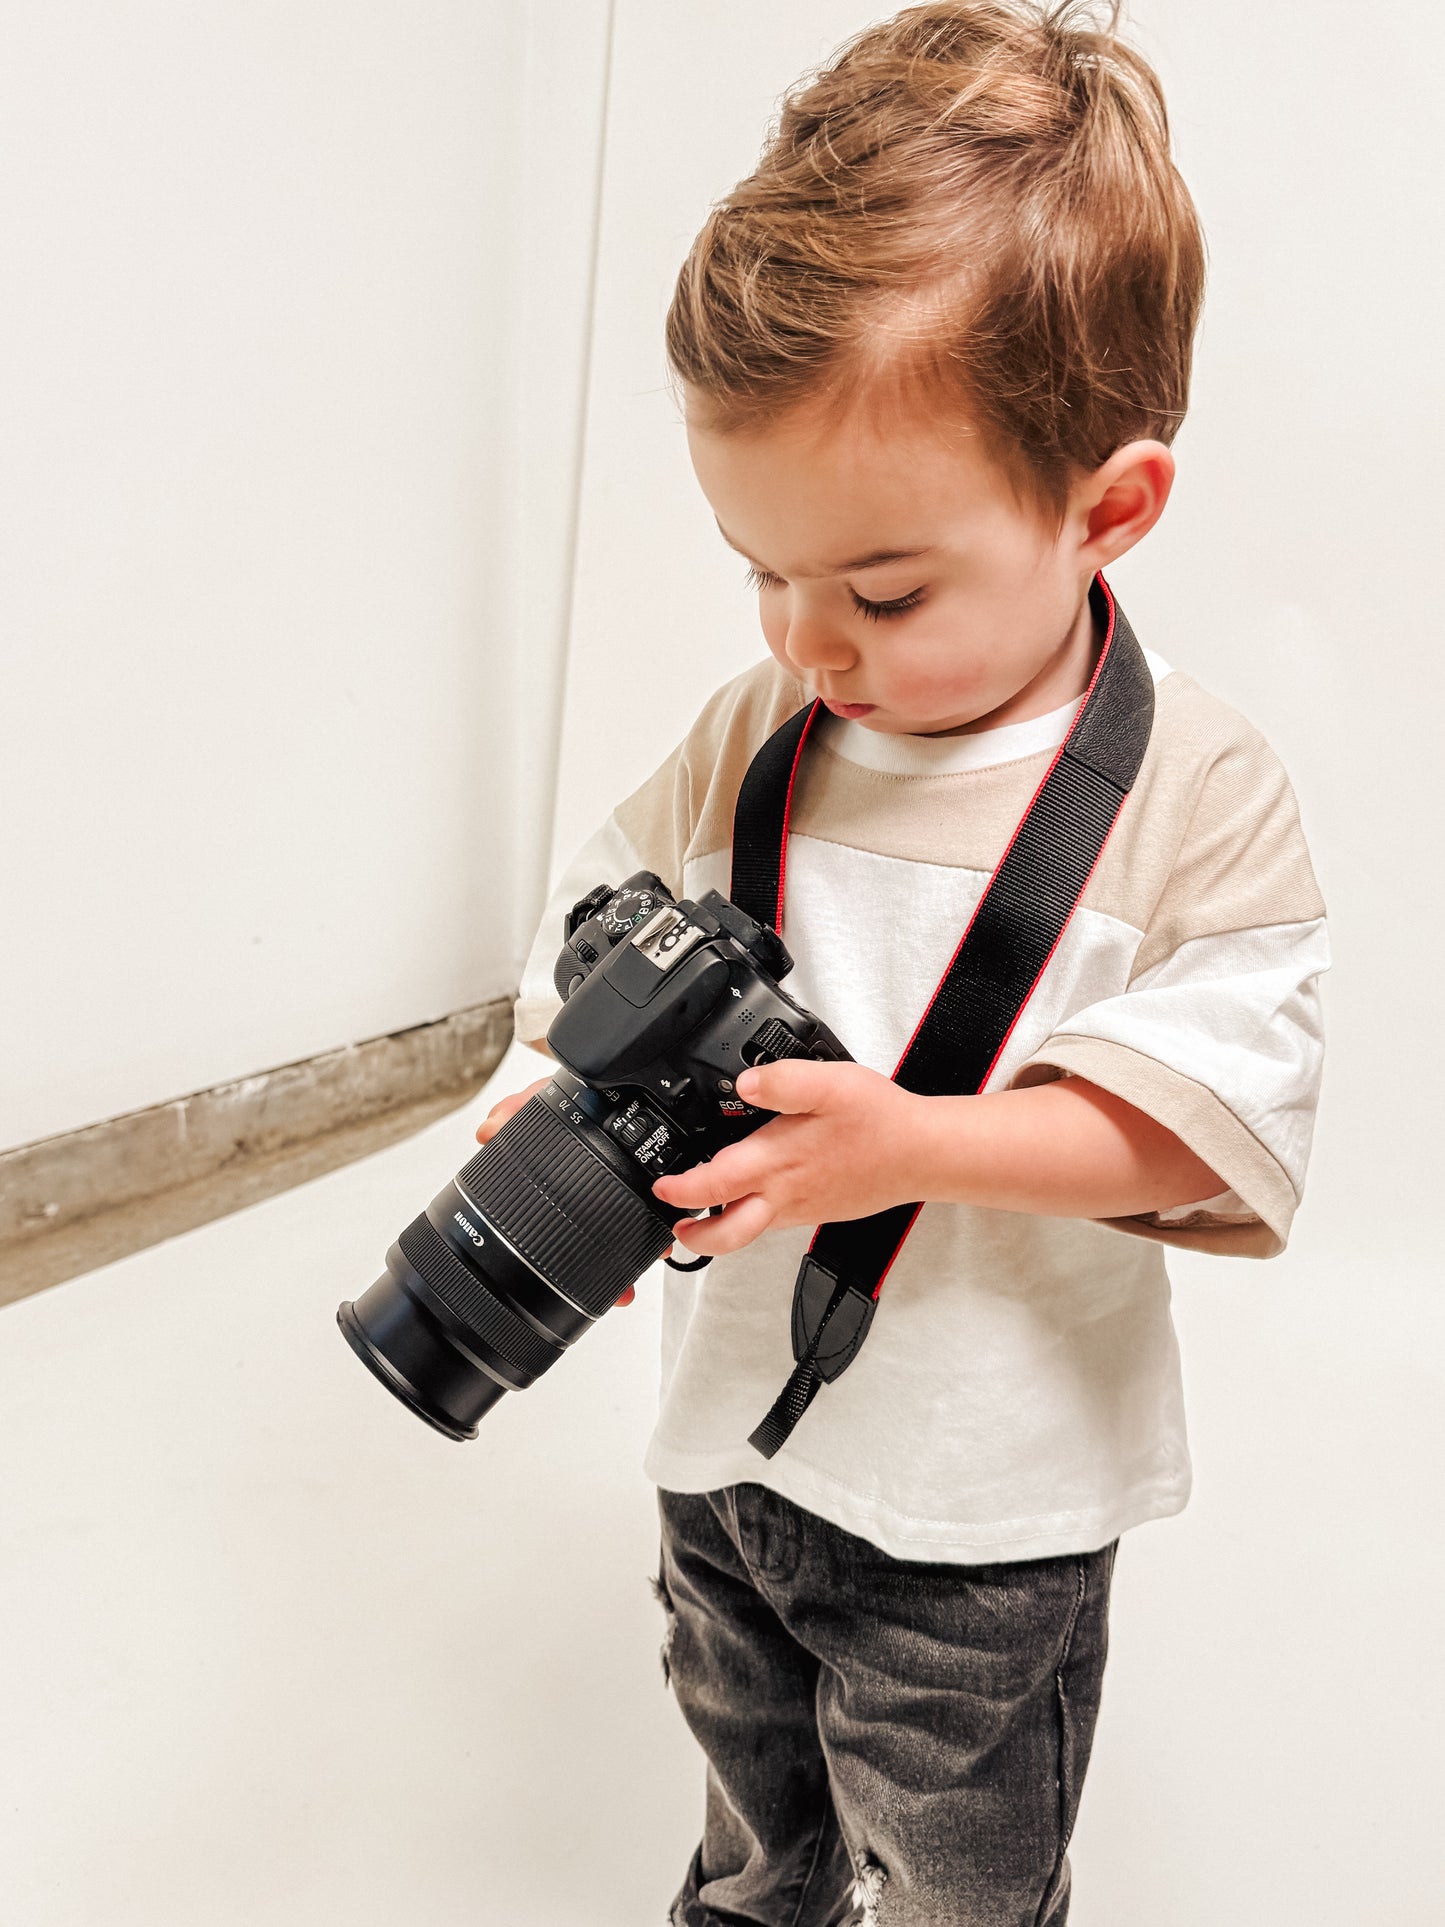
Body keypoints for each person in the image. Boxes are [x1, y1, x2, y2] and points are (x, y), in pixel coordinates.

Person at [477, 4, 1328, 1921]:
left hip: (980, 1510)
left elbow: (1200, 1141)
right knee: (752, 1826)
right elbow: (590, 947)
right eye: (755, 566)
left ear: (1104, 507)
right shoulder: (752, 731)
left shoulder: (1194, 790)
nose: (806, 641)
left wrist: (906, 1147)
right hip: (722, 1456)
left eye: (880, 589)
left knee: (955, 1880)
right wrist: (541, 1105)